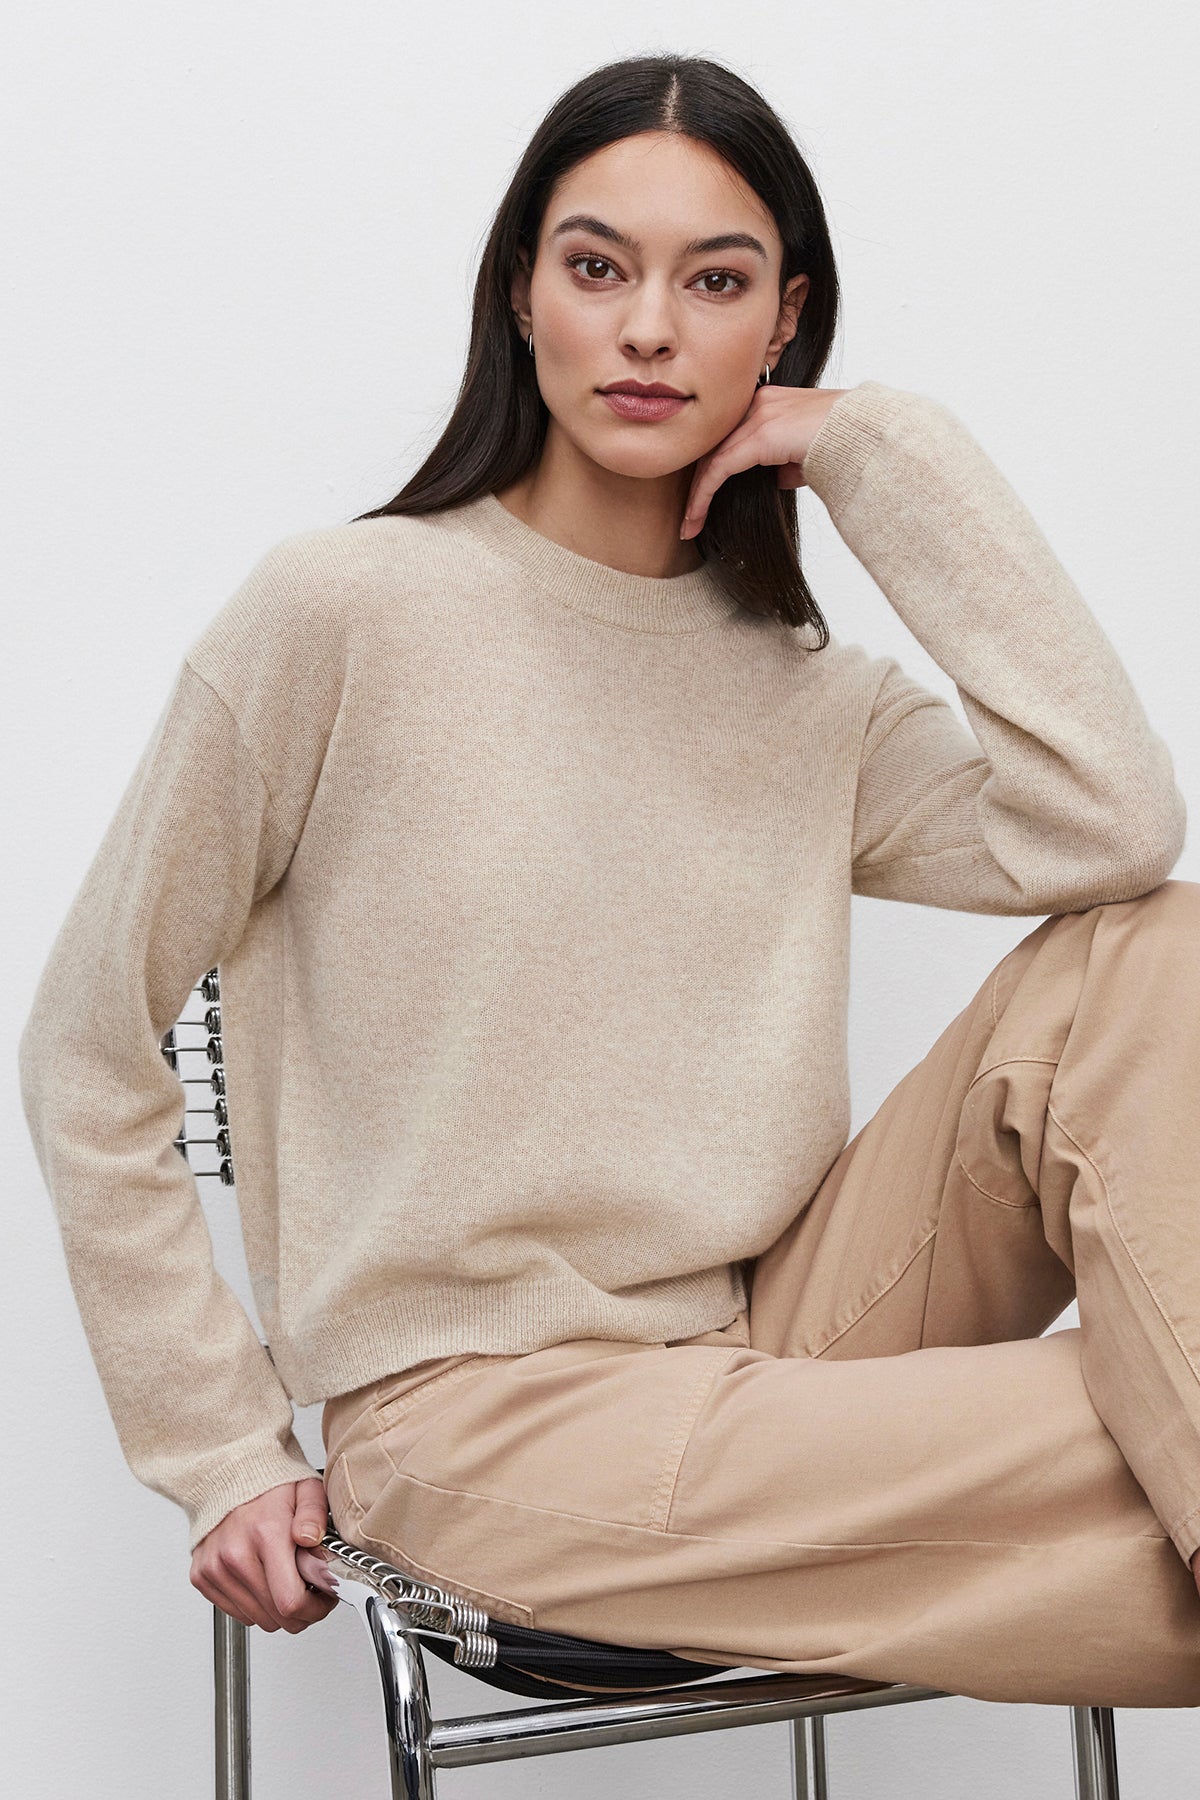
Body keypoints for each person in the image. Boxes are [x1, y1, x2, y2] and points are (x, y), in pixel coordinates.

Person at [18, 52, 1200, 1707]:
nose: (649, 330)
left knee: (1161, 954)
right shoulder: (341, 615)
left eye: (714, 282)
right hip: (479, 1419)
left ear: (782, 324)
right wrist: (216, 1442)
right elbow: (86, 1042)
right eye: (598, 268)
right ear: (524, 296)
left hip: (778, 1349)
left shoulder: (805, 693)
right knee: (1156, 1409)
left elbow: (1115, 828)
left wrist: (880, 449)